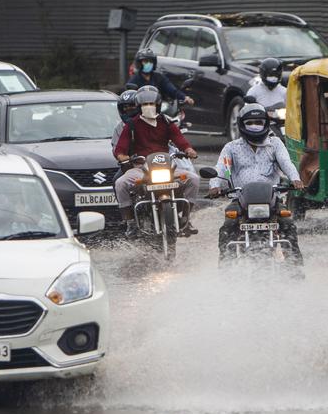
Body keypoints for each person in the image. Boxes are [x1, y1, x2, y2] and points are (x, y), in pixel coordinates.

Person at [208, 103, 306, 260]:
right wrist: (215, 186)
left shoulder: (275, 144)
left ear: (266, 123)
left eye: (259, 122)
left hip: (272, 198)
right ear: (241, 124)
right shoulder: (231, 148)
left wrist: (295, 179)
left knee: (288, 225)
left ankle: (295, 267)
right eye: (250, 123)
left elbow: (286, 162)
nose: (255, 126)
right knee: (227, 229)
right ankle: (226, 268)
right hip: (239, 199)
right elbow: (221, 168)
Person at [113, 86, 200, 237]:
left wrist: (188, 150)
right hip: (140, 169)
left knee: (194, 179)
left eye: (151, 104)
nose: (148, 107)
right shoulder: (131, 125)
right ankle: (131, 223)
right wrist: (122, 156)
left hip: (166, 167)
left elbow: (180, 140)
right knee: (120, 184)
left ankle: (185, 219)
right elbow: (120, 149)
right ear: (139, 107)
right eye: (145, 105)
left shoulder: (166, 122)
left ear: (158, 105)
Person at [125, 48, 194, 106]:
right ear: (139, 63)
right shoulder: (134, 79)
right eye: (145, 61)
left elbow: (172, 90)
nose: (149, 64)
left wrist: (184, 97)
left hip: (159, 109)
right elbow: (129, 96)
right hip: (141, 111)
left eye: (150, 61)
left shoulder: (159, 77)